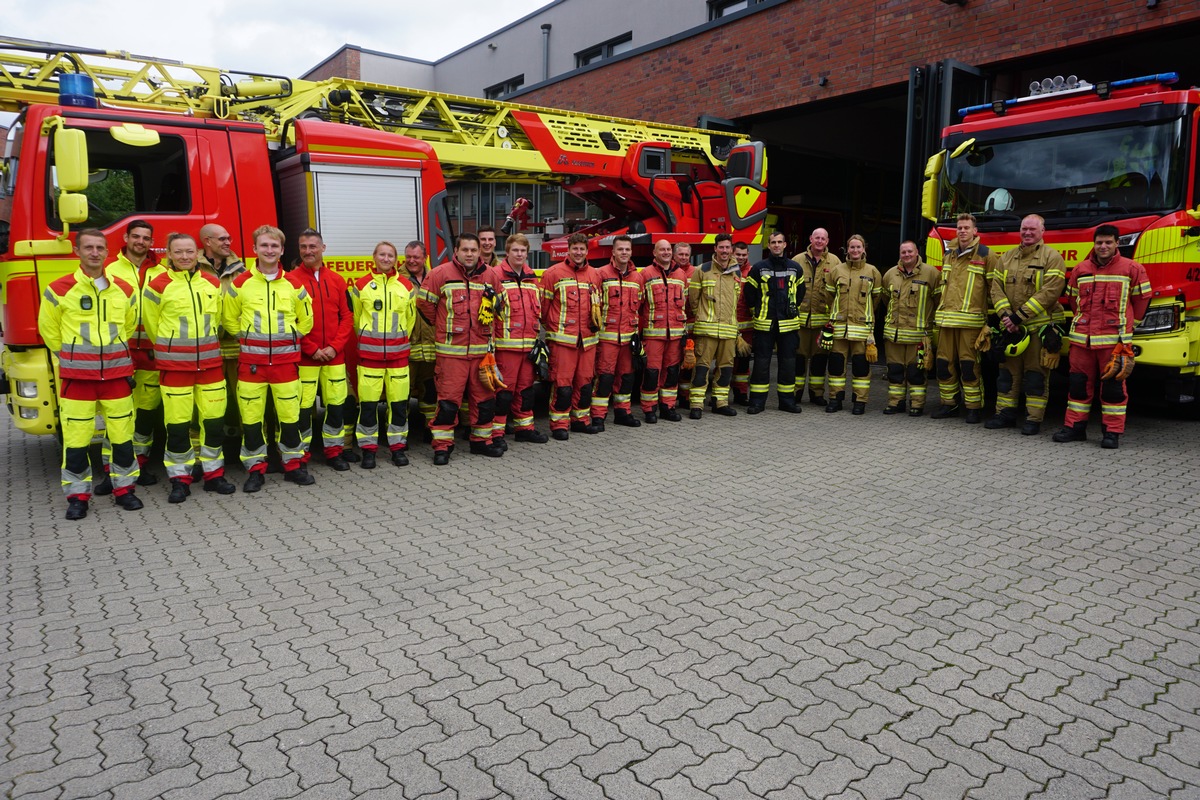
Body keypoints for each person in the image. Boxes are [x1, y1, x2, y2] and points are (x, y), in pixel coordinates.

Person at [37, 229, 144, 519]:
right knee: (76, 442)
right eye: (88, 247)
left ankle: (124, 490)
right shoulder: (58, 289)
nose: (94, 252)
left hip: (116, 377)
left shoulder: (124, 289)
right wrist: (74, 358)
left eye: (99, 247)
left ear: (107, 252)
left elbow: (129, 325)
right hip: (78, 380)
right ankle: (77, 497)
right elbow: (49, 331)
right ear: (77, 251)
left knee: (122, 439)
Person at [141, 233, 236, 502]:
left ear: (198, 254)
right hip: (175, 368)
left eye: (189, 252)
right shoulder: (157, 285)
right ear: (169, 254)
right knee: (178, 427)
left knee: (214, 424)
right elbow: (152, 325)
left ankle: (214, 475)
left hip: (209, 366)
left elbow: (217, 320)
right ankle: (180, 479)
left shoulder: (211, 282)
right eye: (178, 252)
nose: (184, 257)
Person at [223, 225, 315, 491]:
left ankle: (293, 466)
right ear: (254, 249)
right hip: (252, 365)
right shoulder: (240, 284)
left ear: (282, 250)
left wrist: (290, 335)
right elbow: (229, 319)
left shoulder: (294, 284)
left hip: (286, 365)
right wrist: (249, 337)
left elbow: (306, 319)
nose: (269, 250)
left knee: (290, 419)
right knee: (252, 421)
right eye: (264, 245)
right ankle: (255, 469)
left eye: (274, 246)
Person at [1054, 225, 1151, 449]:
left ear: (1117, 243)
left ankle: (1112, 433)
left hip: (1114, 342)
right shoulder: (1081, 269)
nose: (1103, 246)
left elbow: (1142, 301)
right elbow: (1072, 300)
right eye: (1099, 243)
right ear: (1094, 244)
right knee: (1078, 386)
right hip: (1081, 342)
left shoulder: (1132, 268)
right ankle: (1075, 428)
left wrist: (1130, 328)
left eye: (1108, 242)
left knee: (1113, 389)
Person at [415, 233, 505, 464]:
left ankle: (481, 441)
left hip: (481, 352)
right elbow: (424, 303)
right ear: (455, 251)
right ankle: (442, 446)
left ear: (479, 252)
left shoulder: (490, 275)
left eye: (473, 250)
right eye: (465, 250)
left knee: (485, 400)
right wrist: (442, 324)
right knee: (448, 402)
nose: (470, 254)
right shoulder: (440, 274)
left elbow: (502, 304)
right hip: (451, 354)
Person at [97, 219, 163, 493]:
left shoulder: (163, 271)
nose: (140, 242)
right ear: (125, 238)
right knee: (118, 416)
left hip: (151, 354)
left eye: (146, 238)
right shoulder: (109, 270)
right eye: (135, 236)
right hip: (119, 353)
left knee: (145, 416)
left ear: (151, 242)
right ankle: (109, 472)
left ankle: (139, 464)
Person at [986, 214, 1067, 435]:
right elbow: (996, 288)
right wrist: (1005, 315)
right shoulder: (1007, 258)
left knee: (1035, 376)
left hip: (1037, 330)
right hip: (1011, 329)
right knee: (1007, 376)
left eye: (1032, 229)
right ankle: (1005, 415)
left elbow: (1049, 293)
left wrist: (1017, 317)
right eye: (1024, 229)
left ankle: (1033, 420)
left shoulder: (1052, 258)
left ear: (1043, 231)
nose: (1028, 233)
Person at [287, 228, 353, 470]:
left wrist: (334, 348)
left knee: (335, 408)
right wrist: (311, 348)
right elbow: (290, 321)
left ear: (323, 248)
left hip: (334, 359)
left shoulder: (337, 280)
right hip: (306, 359)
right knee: (303, 410)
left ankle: (334, 452)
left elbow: (347, 317)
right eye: (303, 247)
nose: (308, 251)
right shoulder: (290, 280)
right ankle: (301, 455)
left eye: (313, 246)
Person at [349, 241, 417, 467]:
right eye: (382, 254)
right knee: (368, 407)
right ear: (374, 257)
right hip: (370, 358)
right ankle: (369, 450)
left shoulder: (406, 287)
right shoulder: (361, 285)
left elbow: (410, 319)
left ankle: (397, 448)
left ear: (395, 259)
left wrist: (398, 339)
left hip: (398, 357)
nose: (386, 259)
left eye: (390, 255)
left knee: (398, 406)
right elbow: (357, 319)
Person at [932, 213, 997, 423]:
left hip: (971, 323)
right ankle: (949, 404)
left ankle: (974, 407)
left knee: (969, 367)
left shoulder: (987, 255)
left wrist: (990, 321)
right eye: (959, 227)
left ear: (975, 231)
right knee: (943, 364)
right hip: (946, 322)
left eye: (966, 227)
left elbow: (994, 290)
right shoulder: (948, 254)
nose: (962, 231)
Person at [540, 232, 603, 439]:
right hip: (563, 341)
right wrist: (554, 330)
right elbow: (543, 308)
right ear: (568, 250)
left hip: (588, 341)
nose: (578, 252)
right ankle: (559, 424)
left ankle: (580, 421)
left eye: (582, 249)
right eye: (575, 248)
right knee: (563, 384)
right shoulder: (553, 273)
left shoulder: (595, 275)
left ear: (587, 251)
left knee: (585, 383)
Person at [493, 233, 548, 444]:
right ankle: (496, 433)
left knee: (526, 392)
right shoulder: (495, 275)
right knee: (502, 394)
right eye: (515, 250)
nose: (519, 254)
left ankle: (524, 429)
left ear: (527, 253)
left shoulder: (531, 276)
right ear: (507, 252)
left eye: (523, 251)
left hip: (528, 348)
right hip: (505, 348)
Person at [197, 223, 247, 448]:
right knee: (209, 405)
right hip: (208, 349)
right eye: (222, 239)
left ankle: (252, 451)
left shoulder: (241, 270)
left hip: (237, 348)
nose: (228, 243)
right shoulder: (192, 268)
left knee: (247, 403)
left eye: (229, 238)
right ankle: (209, 453)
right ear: (207, 242)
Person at [743, 231, 805, 414]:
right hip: (765, 324)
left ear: (785, 244)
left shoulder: (795, 268)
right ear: (768, 246)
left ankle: (787, 402)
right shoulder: (759, 268)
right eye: (773, 242)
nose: (776, 245)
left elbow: (800, 293)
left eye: (779, 242)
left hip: (789, 325)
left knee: (788, 364)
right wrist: (758, 312)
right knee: (761, 364)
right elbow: (749, 294)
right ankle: (757, 402)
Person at [880, 240, 940, 416]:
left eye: (910, 252)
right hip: (894, 335)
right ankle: (895, 403)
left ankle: (917, 404)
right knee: (895, 371)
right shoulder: (890, 274)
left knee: (916, 372)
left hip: (918, 336)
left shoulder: (931, 274)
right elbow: (885, 299)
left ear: (917, 252)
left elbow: (938, 300)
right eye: (903, 252)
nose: (906, 255)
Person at [824, 235, 883, 414]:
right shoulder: (836, 270)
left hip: (862, 329)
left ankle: (860, 401)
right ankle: (835, 399)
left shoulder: (873, 272)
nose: (855, 250)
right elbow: (829, 296)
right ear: (847, 249)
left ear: (864, 249)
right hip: (839, 328)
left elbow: (877, 299)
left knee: (861, 367)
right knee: (836, 365)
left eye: (858, 247)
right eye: (852, 247)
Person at [590, 234, 644, 430]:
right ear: (613, 252)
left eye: (627, 250)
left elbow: (642, 306)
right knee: (604, 377)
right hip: (607, 338)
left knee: (627, 377)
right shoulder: (601, 274)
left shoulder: (638, 277)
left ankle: (623, 413)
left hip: (628, 339)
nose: (624, 253)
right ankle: (598, 416)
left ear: (631, 252)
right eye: (620, 249)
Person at [687, 233, 743, 418]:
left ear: (731, 249)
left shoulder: (737, 271)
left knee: (726, 368)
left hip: (728, 330)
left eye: (728, 247)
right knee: (702, 368)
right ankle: (696, 404)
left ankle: (720, 403)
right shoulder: (702, 270)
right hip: (707, 330)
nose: (724, 251)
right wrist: (702, 316)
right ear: (715, 249)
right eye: (721, 247)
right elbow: (693, 300)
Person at [639, 239, 690, 423]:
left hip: (675, 335)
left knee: (671, 373)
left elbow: (685, 303)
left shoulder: (681, 275)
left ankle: (668, 407)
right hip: (653, 334)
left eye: (669, 249)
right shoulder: (645, 274)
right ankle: (649, 409)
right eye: (662, 249)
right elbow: (639, 306)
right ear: (654, 252)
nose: (666, 252)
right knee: (652, 373)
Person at [793, 227, 841, 407]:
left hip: (823, 321)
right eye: (817, 238)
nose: (819, 241)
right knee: (799, 357)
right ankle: (796, 393)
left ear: (827, 241)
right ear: (810, 239)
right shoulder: (797, 260)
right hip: (800, 321)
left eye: (823, 238)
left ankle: (816, 394)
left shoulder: (835, 262)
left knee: (820, 359)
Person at [403, 241, 438, 441]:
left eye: (416, 257)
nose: (412, 261)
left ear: (424, 257)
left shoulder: (434, 277)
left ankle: (429, 427)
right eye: (408, 256)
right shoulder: (397, 278)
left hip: (430, 345)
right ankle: (401, 431)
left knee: (430, 389)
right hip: (407, 345)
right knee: (402, 392)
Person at [672, 243, 697, 409]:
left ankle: (685, 397)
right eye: (680, 254)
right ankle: (669, 398)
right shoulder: (669, 272)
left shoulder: (696, 273)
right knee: (672, 364)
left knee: (688, 363)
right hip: (674, 325)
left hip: (691, 325)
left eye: (686, 255)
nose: (683, 257)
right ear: (674, 255)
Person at [731, 240, 754, 404]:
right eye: (737, 254)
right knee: (725, 363)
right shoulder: (725, 271)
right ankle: (721, 397)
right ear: (732, 254)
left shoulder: (753, 272)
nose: (740, 257)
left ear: (748, 255)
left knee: (743, 363)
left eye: (743, 255)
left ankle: (741, 394)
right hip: (727, 325)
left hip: (746, 328)